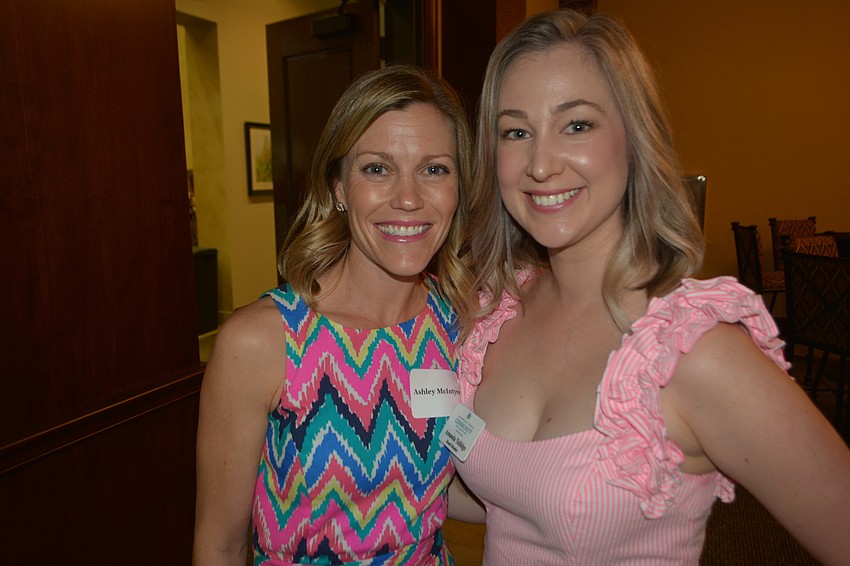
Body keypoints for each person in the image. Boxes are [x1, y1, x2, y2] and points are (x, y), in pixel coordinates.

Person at [452, 9, 850, 565]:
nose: (540, 164)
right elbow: (503, 493)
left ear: (634, 138)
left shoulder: (692, 351)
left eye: (577, 125)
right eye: (516, 132)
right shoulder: (495, 313)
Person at [193, 64, 474, 565]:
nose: (409, 198)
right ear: (339, 188)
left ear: (459, 187)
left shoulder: (461, 325)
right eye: (377, 168)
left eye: (435, 169)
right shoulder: (263, 341)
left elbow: (435, 492)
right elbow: (221, 545)